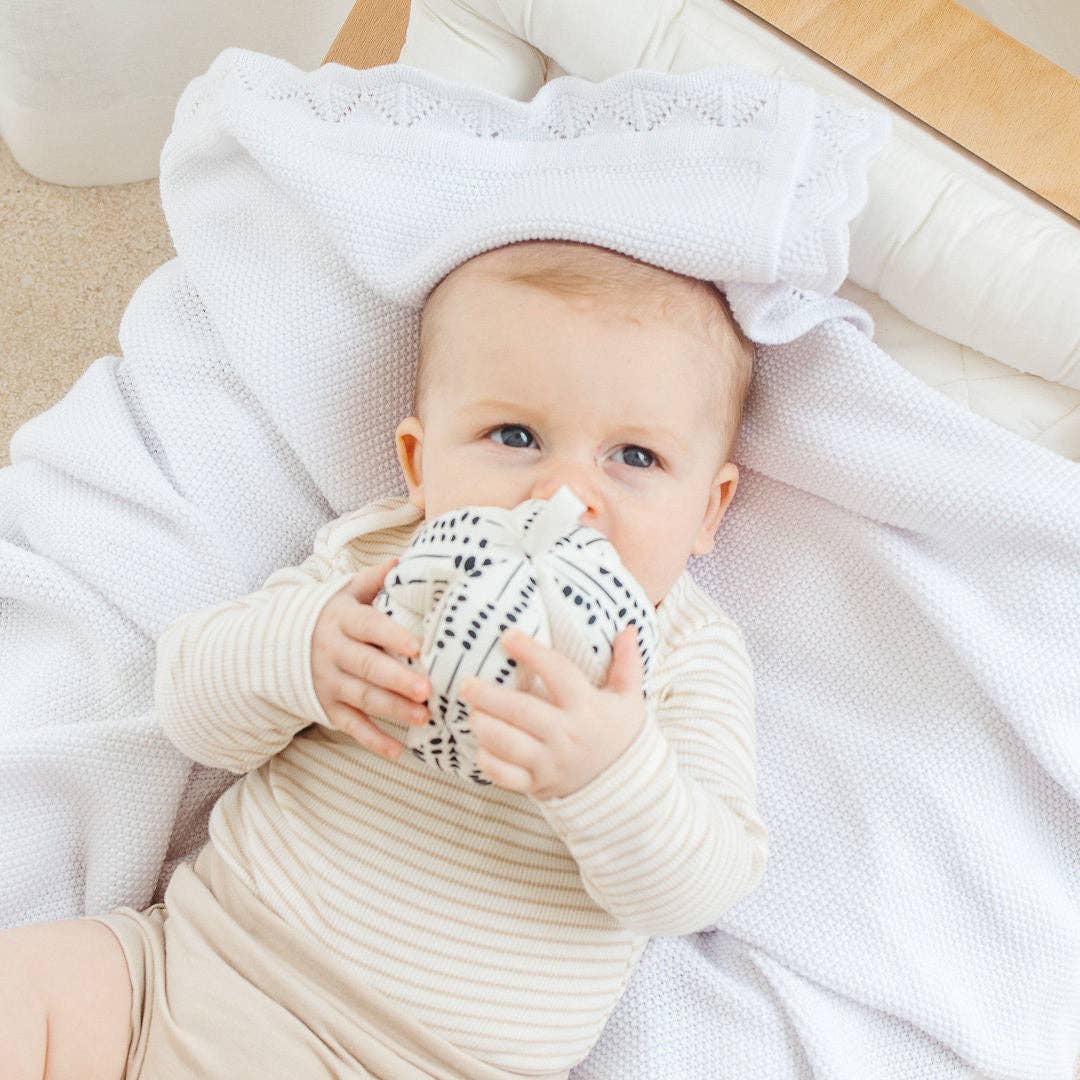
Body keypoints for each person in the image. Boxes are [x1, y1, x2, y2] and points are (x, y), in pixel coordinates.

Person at [0, 239, 768, 1080]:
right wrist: (299, 653)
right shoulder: (387, 565)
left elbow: (699, 886)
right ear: (419, 465)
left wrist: (611, 776)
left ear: (708, 508)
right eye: (514, 436)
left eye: (635, 458)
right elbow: (189, 705)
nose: (563, 497)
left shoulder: (683, 657)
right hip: (187, 972)